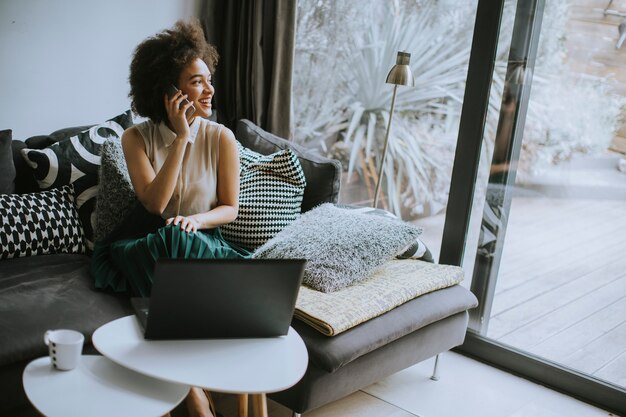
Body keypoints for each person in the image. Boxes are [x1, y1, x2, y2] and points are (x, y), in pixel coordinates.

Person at [90, 18, 250, 417]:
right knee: (166, 239)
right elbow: (156, 207)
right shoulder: (135, 138)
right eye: (197, 82)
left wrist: (197, 222)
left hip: (203, 239)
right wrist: (181, 138)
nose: (210, 90)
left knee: (178, 238)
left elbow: (229, 207)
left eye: (209, 79)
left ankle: (189, 385)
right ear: (168, 90)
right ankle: (195, 387)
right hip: (148, 242)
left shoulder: (222, 138)